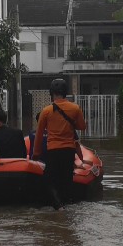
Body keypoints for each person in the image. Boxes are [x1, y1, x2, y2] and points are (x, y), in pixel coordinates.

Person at [32, 78, 87, 209]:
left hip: (53, 150)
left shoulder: (46, 111)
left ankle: (58, 206)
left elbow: (39, 135)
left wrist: (36, 154)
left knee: (48, 180)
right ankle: (66, 205)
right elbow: (81, 126)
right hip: (69, 150)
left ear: (52, 93)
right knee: (66, 179)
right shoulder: (75, 108)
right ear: (65, 92)